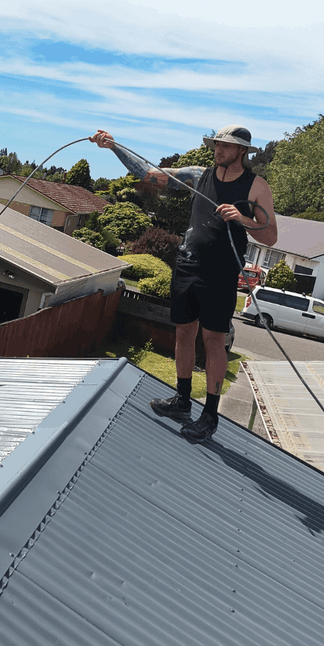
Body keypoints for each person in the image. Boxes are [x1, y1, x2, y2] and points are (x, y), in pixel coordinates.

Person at [91, 125, 277, 442]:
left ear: (242, 150)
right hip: (188, 265)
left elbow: (270, 236)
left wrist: (242, 218)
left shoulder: (256, 186)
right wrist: (114, 147)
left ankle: (210, 416)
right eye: (216, 144)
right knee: (184, 332)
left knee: (213, 340)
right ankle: (182, 401)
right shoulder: (199, 174)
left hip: (220, 273)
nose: (218, 150)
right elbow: (149, 174)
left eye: (226, 146)